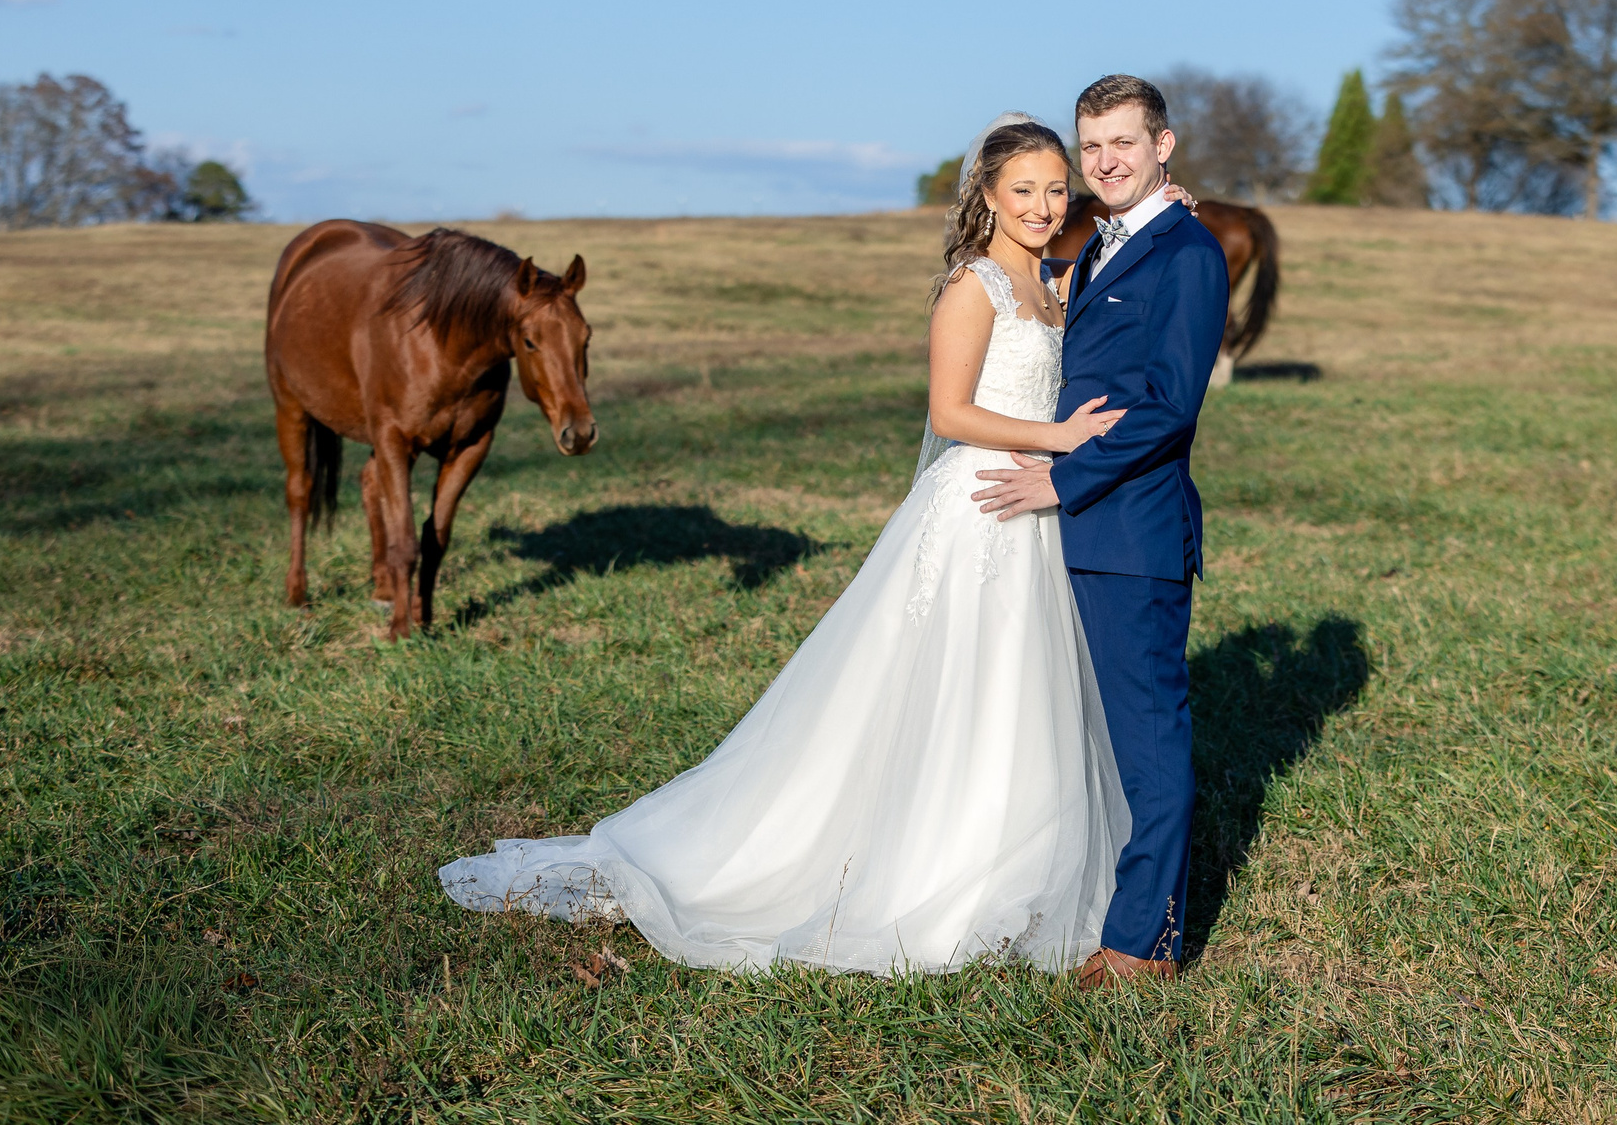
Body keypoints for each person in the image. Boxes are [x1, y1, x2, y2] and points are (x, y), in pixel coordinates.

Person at [438, 114, 1153, 974]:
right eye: (1023, 190)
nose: (1043, 205)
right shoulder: (976, 287)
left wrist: (1157, 199)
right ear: (988, 197)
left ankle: (1020, 863)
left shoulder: (1051, 281)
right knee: (961, 681)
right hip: (979, 508)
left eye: (1054, 189)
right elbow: (949, 414)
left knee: (1021, 689)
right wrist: (1059, 439)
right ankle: (925, 870)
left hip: (1036, 509)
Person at [972, 74, 1229, 985]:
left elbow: (1168, 407)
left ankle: (1143, 944)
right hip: (1069, 529)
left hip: (1130, 533)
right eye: (1093, 147)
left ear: (1165, 143)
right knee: (1080, 737)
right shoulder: (1102, 246)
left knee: (1150, 739)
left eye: (1125, 141)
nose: (1106, 160)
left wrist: (1060, 478)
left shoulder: (1189, 253)